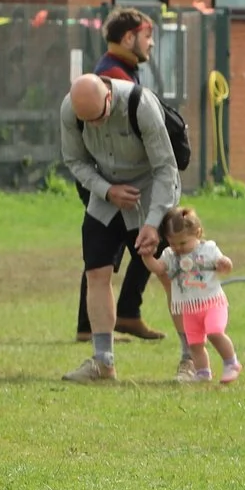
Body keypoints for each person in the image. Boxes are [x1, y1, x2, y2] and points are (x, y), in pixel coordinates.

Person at [58, 67, 181, 383]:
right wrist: (106, 190)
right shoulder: (71, 110)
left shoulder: (141, 104)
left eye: (99, 117)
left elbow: (166, 168)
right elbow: (75, 161)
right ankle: (103, 363)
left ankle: (192, 358)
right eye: (87, 121)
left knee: (169, 273)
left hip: (150, 192)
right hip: (106, 195)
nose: (94, 125)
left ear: (109, 97)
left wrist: (153, 223)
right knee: (96, 273)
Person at [73, 9, 167, 343]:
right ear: (129, 38)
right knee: (120, 247)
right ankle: (108, 320)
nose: (151, 43)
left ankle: (115, 316)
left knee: (112, 249)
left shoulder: (122, 71)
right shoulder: (113, 77)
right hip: (112, 180)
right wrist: (111, 187)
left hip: (118, 180)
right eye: (147, 36)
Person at [143, 205, 238, 384]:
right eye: (173, 243)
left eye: (183, 243)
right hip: (189, 307)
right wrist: (147, 257)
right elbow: (159, 268)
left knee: (214, 332)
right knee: (194, 344)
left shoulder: (208, 249)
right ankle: (203, 373)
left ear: (198, 233)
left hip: (212, 303)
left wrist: (225, 264)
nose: (178, 248)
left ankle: (231, 363)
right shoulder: (170, 255)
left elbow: (224, 264)